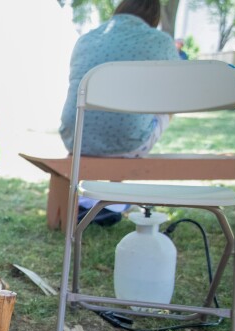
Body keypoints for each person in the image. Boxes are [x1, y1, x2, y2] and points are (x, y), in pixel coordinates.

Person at [59, 0, 179, 225]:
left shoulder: (87, 39)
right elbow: (174, 94)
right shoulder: (160, 41)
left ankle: (91, 199)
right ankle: (114, 198)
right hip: (127, 141)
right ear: (155, 16)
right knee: (160, 108)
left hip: (75, 137)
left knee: (96, 110)